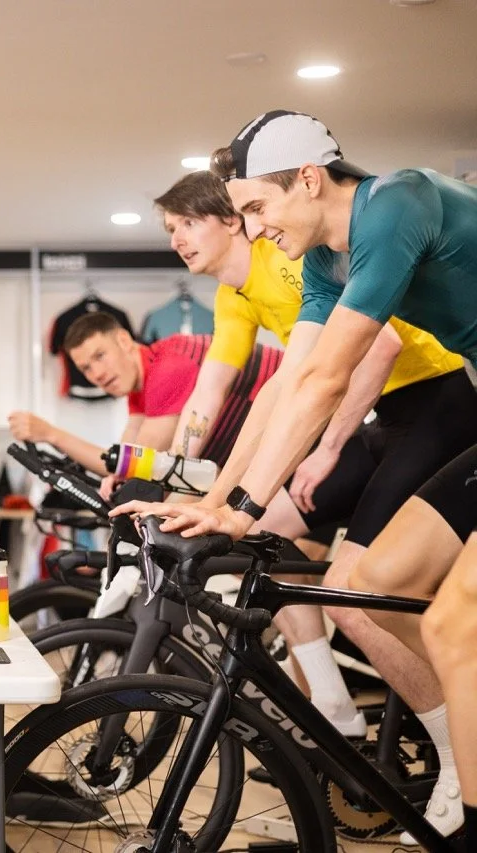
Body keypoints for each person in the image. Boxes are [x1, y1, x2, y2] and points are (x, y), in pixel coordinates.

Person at [114, 110, 477, 842]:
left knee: (451, 619)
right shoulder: (323, 262)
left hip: (441, 406)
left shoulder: (399, 202)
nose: (253, 227)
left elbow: (332, 378)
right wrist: (220, 499)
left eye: (256, 208)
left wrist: (246, 506)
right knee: (376, 585)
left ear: (309, 179)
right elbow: (288, 383)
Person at [149, 168, 472, 738]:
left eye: (189, 222)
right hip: (381, 419)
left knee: (355, 594)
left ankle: (449, 750)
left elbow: (366, 355)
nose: (177, 238)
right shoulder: (251, 289)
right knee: (268, 534)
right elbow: (255, 388)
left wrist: (324, 449)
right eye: (170, 228)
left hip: (432, 403)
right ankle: (330, 699)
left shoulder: (308, 249)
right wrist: (204, 494)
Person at [8, 313, 280, 477]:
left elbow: (130, 467)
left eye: (100, 356)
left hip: (305, 424)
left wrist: (50, 434)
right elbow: (123, 458)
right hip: (280, 438)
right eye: (86, 368)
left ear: (125, 341)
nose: (97, 374)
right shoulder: (142, 382)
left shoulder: (167, 368)